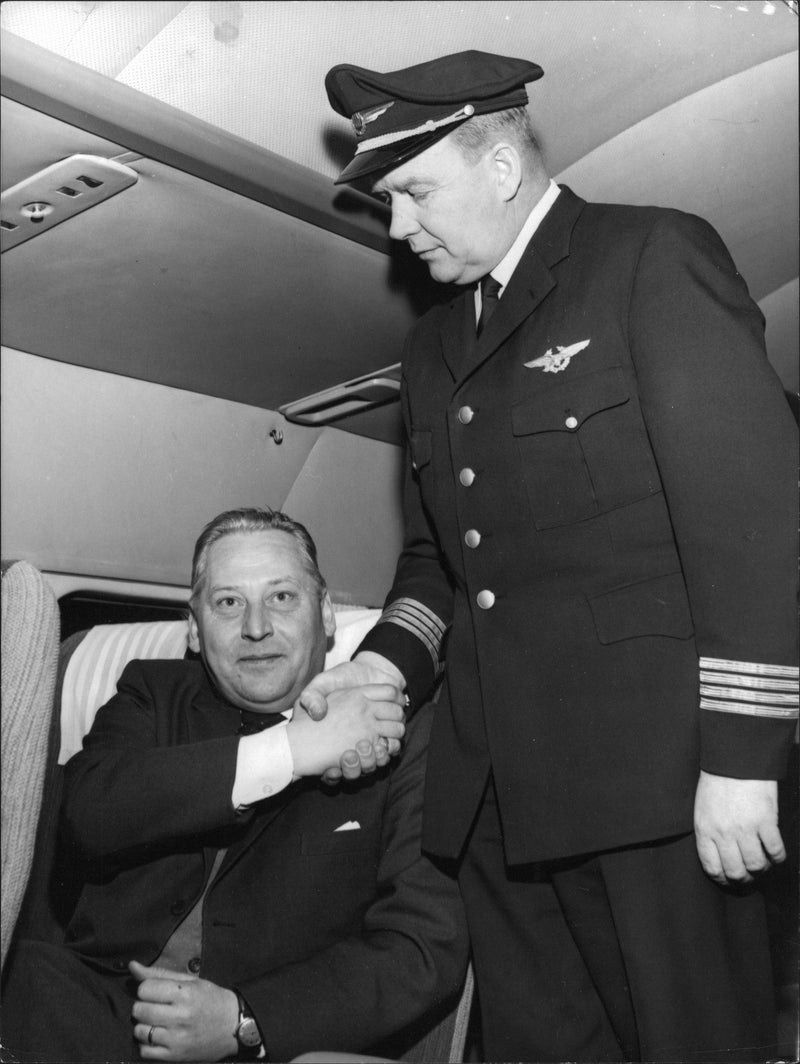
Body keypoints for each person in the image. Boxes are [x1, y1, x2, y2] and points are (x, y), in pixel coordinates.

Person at [297, 51, 799, 1061]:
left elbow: (750, 520)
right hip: (498, 800)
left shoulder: (645, 258)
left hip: (659, 788)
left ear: (496, 166)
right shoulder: (432, 348)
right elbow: (441, 557)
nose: (398, 227)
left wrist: (742, 762)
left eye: (411, 191)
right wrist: (376, 666)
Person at [2, 508, 468, 1063]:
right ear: (195, 629)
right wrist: (289, 753)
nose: (255, 627)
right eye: (228, 602)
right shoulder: (152, 695)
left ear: (325, 614)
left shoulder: (401, 729)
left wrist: (243, 1019)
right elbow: (89, 811)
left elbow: (421, 948)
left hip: (272, 1038)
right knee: (29, 975)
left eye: (282, 598)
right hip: (97, 1017)